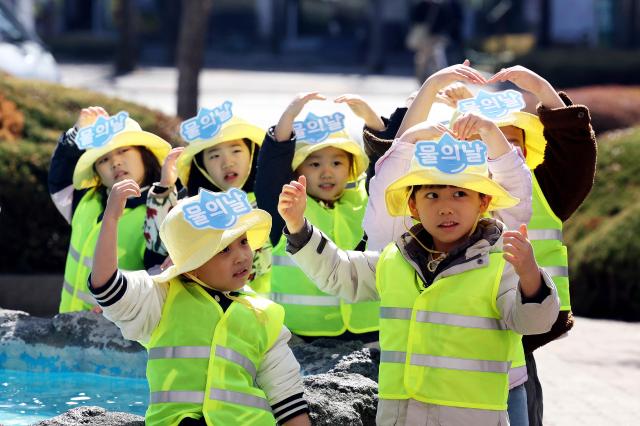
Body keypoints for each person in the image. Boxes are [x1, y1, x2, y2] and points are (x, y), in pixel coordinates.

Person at [278, 114, 560, 425]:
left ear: (483, 202)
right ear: (413, 207)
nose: (445, 206)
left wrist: (530, 273)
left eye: (460, 193)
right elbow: (340, 273)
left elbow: (533, 321)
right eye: (431, 195)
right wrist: (298, 226)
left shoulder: (500, 265)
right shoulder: (395, 259)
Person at [363, 63, 597, 426]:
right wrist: (427, 97)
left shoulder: (518, 207)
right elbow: (390, 176)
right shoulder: (410, 231)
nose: (496, 149)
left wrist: (538, 90)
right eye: (483, 142)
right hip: (415, 397)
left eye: (508, 142)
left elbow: (529, 178)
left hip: (506, 371)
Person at [89, 181, 311, 426]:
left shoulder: (264, 315)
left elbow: (288, 400)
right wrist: (110, 220)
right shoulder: (162, 296)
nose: (242, 256)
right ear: (192, 264)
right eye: (223, 250)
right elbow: (106, 287)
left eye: (244, 242)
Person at [255, 92, 378, 340]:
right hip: (303, 335)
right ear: (296, 169)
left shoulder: (369, 201)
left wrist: (372, 121)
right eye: (314, 164)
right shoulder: (286, 207)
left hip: (371, 331)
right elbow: (270, 171)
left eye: (337, 163)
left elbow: (387, 161)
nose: (326, 173)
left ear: (352, 167)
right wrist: (288, 117)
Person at [48, 106, 170, 313]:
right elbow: (59, 177)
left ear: (144, 155)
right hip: (68, 328)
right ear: (96, 171)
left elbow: (160, 276)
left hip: (120, 334)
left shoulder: (160, 209)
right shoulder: (85, 201)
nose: (115, 162)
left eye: (124, 150)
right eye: (103, 159)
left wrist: (119, 306)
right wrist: (76, 134)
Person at [143, 110, 272, 292]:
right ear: (201, 166)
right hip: (202, 310)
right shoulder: (191, 207)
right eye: (214, 156)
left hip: (253, 311)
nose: (227, 162)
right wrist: (164, 187)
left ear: (252, 154)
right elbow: (157, 242)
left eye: (236, 150)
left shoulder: (265, 205)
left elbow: (262, 262)